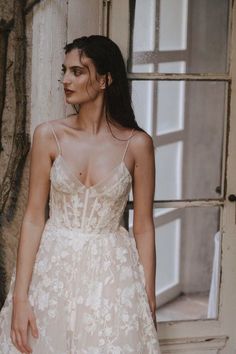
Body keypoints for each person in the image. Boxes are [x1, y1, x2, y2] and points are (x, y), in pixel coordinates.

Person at [0, 35, 161, 353]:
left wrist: (148, 295)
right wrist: (21, 297)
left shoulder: (137, 144)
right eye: (65, 71)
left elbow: (143, 226)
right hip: (53, 268)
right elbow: (34, 218)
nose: (66, 80)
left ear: (104, 79)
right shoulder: (49, 135)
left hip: (111, 273)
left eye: (77, 71)